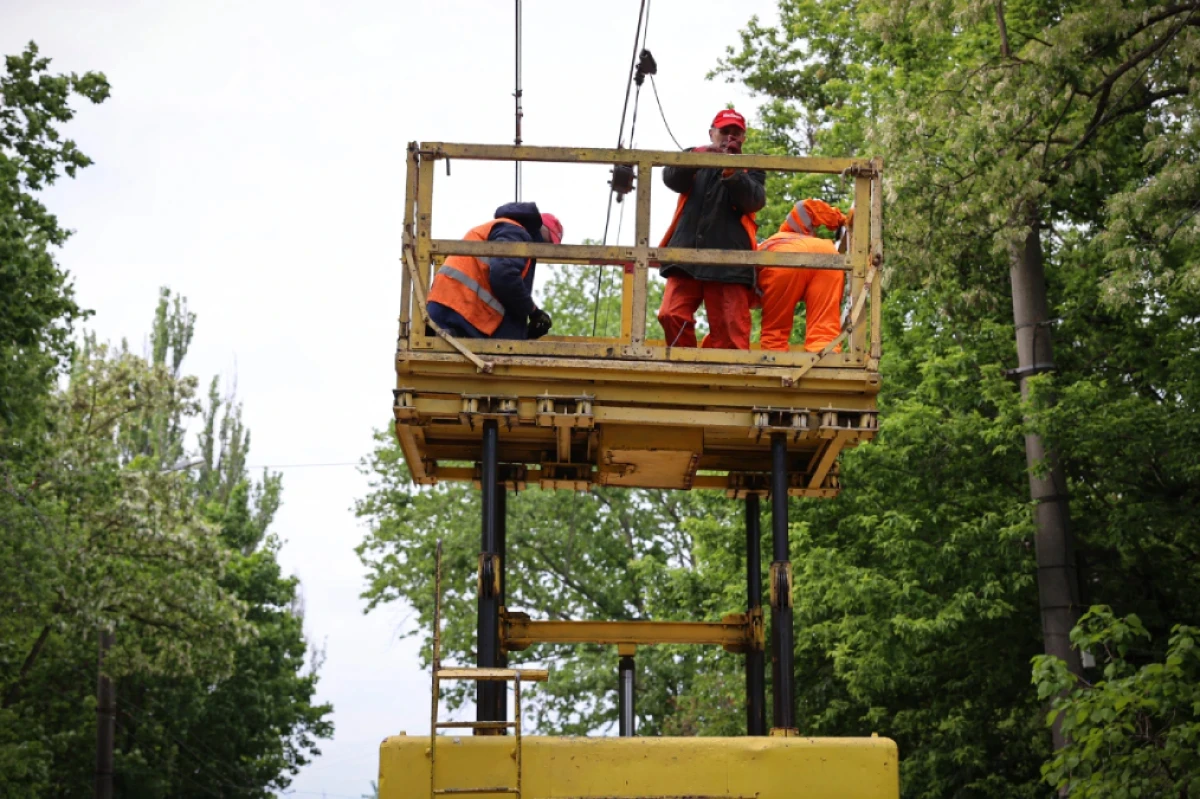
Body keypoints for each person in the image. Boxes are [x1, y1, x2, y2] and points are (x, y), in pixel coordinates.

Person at [656, 109, 766, 350]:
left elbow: (754, 200)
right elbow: (671, 178)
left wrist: (732, 170)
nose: (729, 138)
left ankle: (726, 380)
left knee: (731, 333)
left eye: (736, 134)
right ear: (711, 134)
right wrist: (699, 155)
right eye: (724, 132)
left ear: (743, 139)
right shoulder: (695, 159)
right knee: (671, 315)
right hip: (686, 258)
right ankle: (685, 368)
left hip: (729, 264)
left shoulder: (752, 167)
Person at [427, 202, 562, 340]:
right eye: (550, 240)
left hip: (449, 308)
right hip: (462, 312)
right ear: (541, 228)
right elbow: (504, 277)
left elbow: (505, 294)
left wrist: (524, 335)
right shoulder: (515, 232)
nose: (548, 246)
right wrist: (533, 312)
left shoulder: (504, 229)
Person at [757, 199, 848, 352]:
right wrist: (840, 218)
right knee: (824, 329)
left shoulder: (760, 256)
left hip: (782, 261)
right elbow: (806, 207)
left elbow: (731, 318)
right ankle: (825, 355)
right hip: (827, 256)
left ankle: (774, 363)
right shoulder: (787, 231)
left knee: (774, 334)